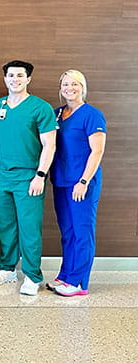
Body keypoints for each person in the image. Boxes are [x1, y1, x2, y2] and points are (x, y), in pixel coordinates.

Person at [0, 60, 57, 296]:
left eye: (20, 76)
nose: (14, 79)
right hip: (1, 176)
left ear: (28, 79)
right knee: (5, 225)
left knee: (29, 228)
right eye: (10, 75)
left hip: (29, 177)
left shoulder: (40, 108)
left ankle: (32, 275)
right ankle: (7, 268)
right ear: (5, 78)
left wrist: (40, 175)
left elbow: (50, 144)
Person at [48, 70, 106, 297]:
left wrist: (84, 181)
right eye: (65, 84)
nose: (69, 88)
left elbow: (97, 150)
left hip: (82, 182)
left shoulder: (92, 115)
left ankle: (79, 282)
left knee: (82, 232)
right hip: (61, 181)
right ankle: (65, 275)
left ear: (83, 87)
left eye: (74, 84)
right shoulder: (57, 113)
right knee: (68, 231)